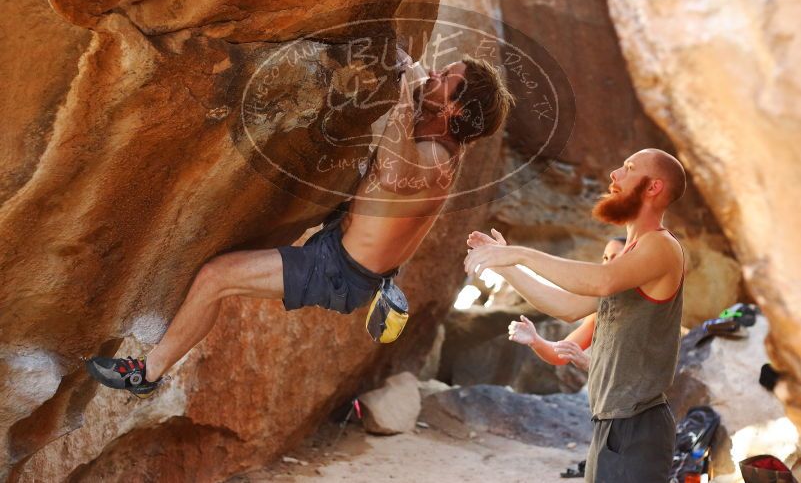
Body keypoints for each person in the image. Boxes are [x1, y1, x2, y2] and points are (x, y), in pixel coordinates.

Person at [86, 51, 515, 398]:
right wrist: (407, 69)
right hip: (343, 254)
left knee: (217, 278)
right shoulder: (441, 135)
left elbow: (390, 169)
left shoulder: (439, 161)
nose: (436, 74)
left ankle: (146, 374)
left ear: (456, 106)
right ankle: (151, 368)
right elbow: (414, 83)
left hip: (340, 272)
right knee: (219, 276)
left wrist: (404, 87)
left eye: (447, 78)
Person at [465, 148, 686, 483]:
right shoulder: (628, 258)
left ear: (653, 188)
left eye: (627, 168)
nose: (614, 174)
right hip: (611, 422)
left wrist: (519, 253)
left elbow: (601, 281)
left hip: (638, 424)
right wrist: (506, 266)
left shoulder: (661, 246)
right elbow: (566, 306)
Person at [507, 237, 626, 372]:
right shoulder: (603, 307)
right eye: (605, 258)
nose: (607, 264)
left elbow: (641, 372)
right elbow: (561, 355)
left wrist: (587, 362)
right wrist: (535, 340)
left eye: (615, 257)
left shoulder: (649, 306)